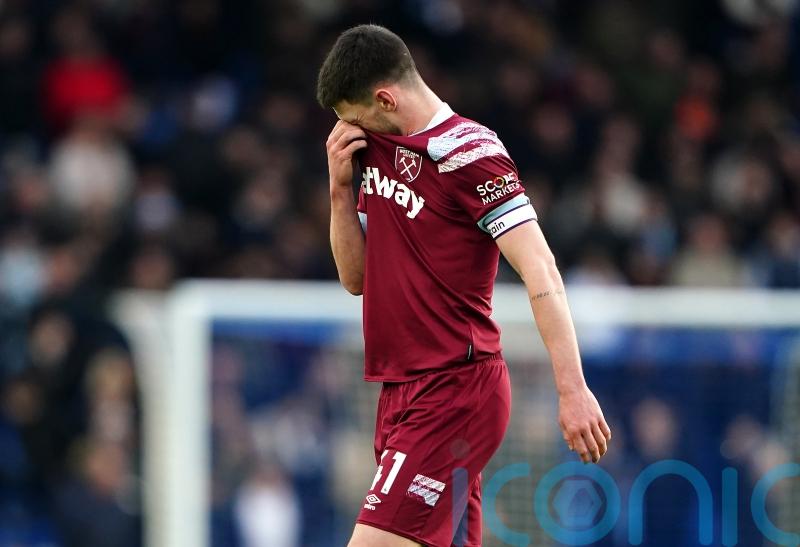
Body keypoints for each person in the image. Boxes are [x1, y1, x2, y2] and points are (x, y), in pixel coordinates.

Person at [317, 25, 611, 547]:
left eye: (353, 118)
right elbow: (356, 279)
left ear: (385, 98)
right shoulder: (373, 150)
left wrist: (572, 388)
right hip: (398, 394)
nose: (347, 132)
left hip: (455, 388)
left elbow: (540, 267)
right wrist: (340, 193)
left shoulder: (473, 154)